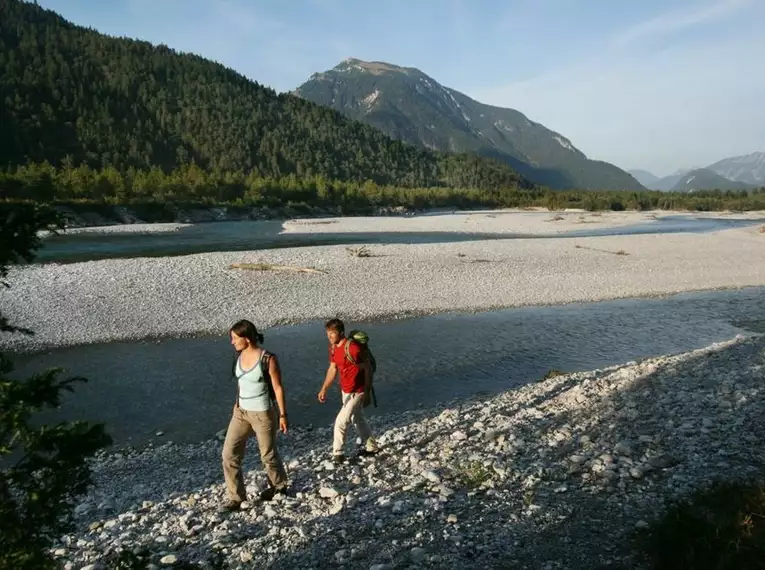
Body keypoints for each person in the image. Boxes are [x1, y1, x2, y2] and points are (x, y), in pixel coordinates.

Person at [220, 319, 289, 512]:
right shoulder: (239, 356)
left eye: (235, 338)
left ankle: (279, 487)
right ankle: (235, 497)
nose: (232, 342)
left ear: (247, 339)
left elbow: (278, 387)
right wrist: (237, 403)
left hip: (263, 413)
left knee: (267, 454)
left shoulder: (268, 359)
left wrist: (283, 415)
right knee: (228, 454)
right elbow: (242, 382)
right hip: (240, 412)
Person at [317, 318, 378, 463]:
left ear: (341, 332)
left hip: (358, 391)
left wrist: (367, 392)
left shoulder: (353, 348)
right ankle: (372, 447)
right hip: (346, 390)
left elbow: (368, 369)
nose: (329, 336)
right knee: (357, 418)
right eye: (327, 333)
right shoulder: (333, 348)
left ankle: (338, 454)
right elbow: (333, 368)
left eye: (332, 333)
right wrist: (324, 388)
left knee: (340, 422)